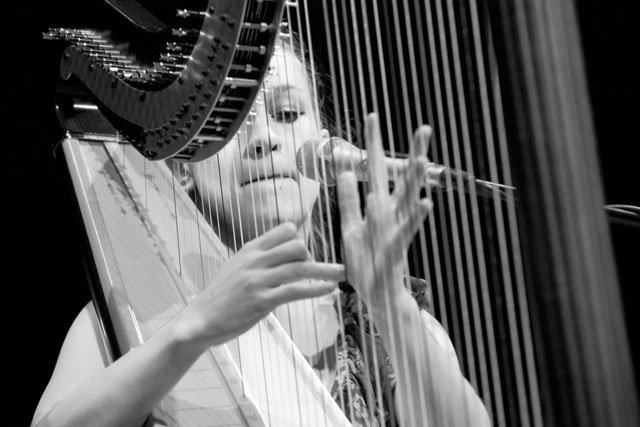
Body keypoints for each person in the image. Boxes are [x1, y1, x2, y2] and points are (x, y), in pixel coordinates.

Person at [31, 38, 491, 427]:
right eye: (231, 124)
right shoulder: (135, 311)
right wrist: (194, 326)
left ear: (327, 152)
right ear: (184, 166)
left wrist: (392, 308)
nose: (264, 139)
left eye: (287, 114)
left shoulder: (384, 324)